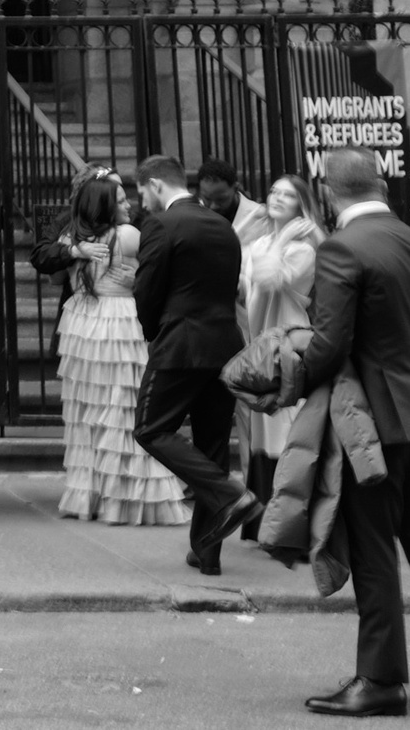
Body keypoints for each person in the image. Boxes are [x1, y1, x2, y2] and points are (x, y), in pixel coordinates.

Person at [296, 147, 410, 718]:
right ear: (377, 183)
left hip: (371, 419)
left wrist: (289, 379)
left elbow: (328, 345)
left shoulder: (340, 248)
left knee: (374, 542)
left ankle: (380, 680)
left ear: (328, 192)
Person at [130, 151, 260, 575]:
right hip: (225, 347)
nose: (141, 202)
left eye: (140, 192)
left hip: (180, 346)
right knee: (213, 445)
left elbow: (146, 291)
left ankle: (229, 494)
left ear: (154, 185)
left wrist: (154, 333)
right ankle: (208, 553)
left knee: (150, 428)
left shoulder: (161, 225)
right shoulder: (223, 225)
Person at [55, 171, 188, 526]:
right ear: (103, 204)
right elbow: (154, 277)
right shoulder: (128, 236)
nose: (128, 203)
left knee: (89, 411)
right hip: (118, 321)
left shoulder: (73, 237)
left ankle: (91, 495)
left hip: (82, 323)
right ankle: (129, 499)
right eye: (120, 198)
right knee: (124, 406)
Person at [239, 172, 325, 525]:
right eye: (273, 192)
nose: (275, 198)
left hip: (288, 347)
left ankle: (291, 521)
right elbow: (241, 276)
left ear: (300, 206)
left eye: (286, 196)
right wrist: (249, 225)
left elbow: (269, 276)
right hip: (261, 344)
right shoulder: (261, 244)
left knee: (285, 429)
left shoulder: (302, 249)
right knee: (263, 429)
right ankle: (263, 519)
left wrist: (283, 237)